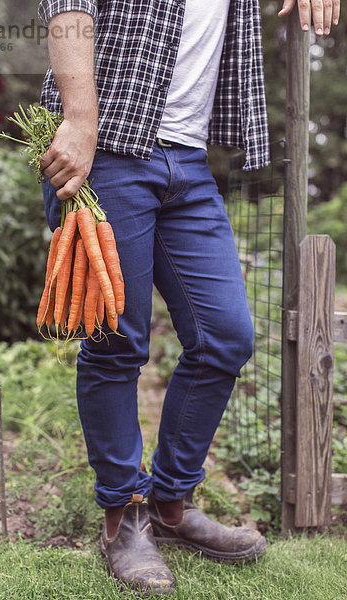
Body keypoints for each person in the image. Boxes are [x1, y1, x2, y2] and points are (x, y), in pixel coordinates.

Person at [37, 0, 340, 595]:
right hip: (110, 146)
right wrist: (78, 115)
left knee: (226, 335)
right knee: (117, 342)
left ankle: (171, 506)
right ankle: (123, 520)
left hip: (189, 162)